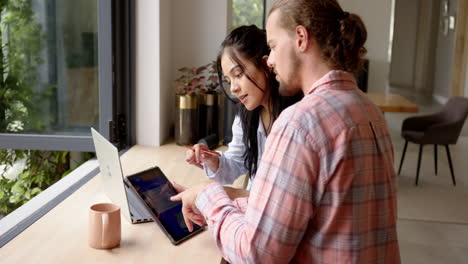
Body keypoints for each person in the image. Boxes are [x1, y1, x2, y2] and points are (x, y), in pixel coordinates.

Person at [172, 0, 400, 263]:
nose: (270, 60)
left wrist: (207, 194)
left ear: (301, 38)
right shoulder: (370, 110)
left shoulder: (299, 123)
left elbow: (258, 254)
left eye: (273, 46)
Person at [185, 25, 301, 192]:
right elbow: (236, 163)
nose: (233, 88)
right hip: (251, 208)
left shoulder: (296, 119)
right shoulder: (246, 116)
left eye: (238, 74)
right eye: (228, 80)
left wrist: (230, 196)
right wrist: (209, 159)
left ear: (266, 64)